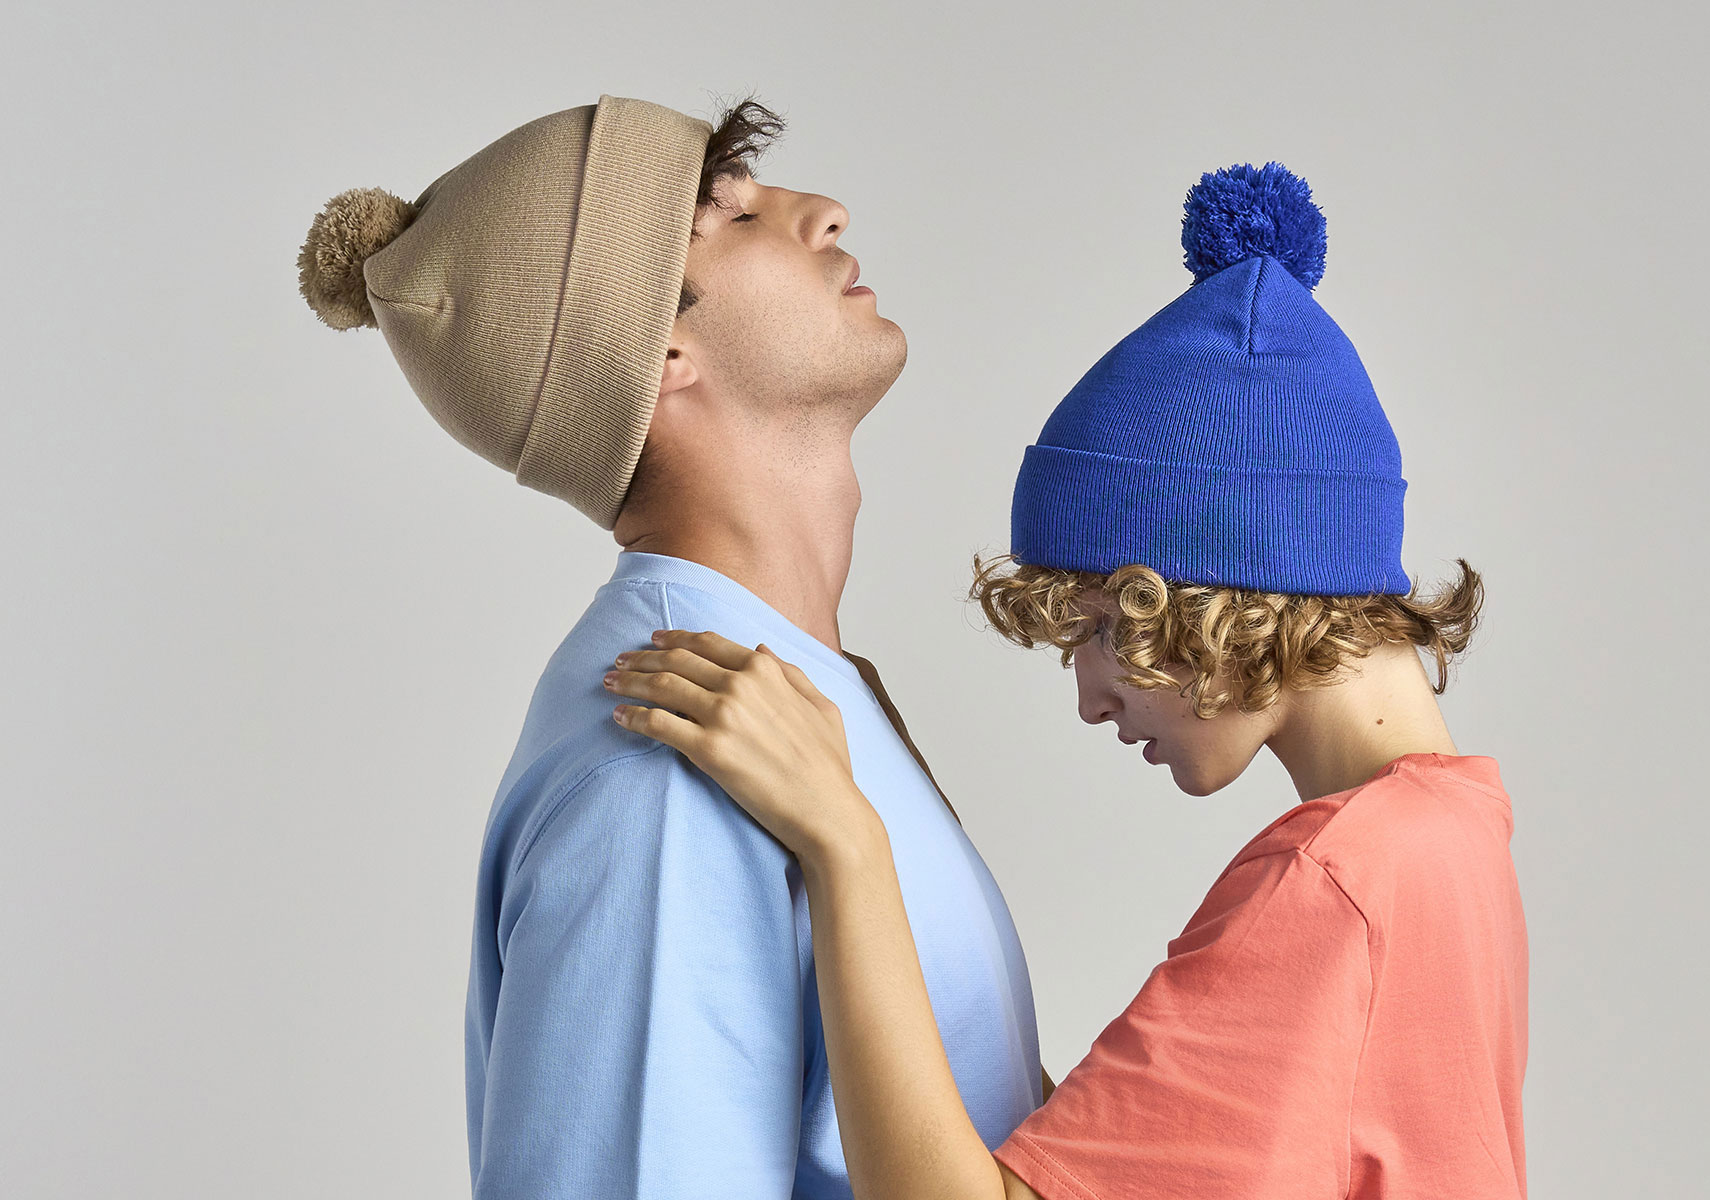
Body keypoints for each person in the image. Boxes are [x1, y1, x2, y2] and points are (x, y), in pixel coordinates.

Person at [605, 164, 1530, 1198]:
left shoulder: (1334, 883)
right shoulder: (1449, 838)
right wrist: (900, 804)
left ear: (1204, 582)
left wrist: (847, 842)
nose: (1092, 699)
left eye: (1094, 626)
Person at [295, 93, 1045, 1199]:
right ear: (660, 350)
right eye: (733, 217)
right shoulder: (666, 759)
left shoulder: (792, 704)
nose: (825, 212)